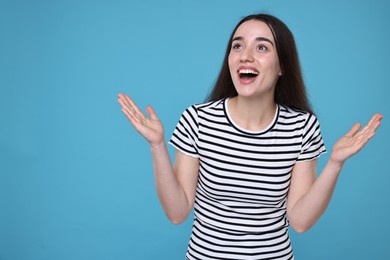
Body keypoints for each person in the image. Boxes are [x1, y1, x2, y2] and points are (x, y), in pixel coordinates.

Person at [117, 13, 382, 260]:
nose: (246, 56)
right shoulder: (197, 120)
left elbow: (300, 221)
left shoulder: (302, 127)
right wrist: (157, 146)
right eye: (238, 46)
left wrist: (335, 163)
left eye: (262, 47)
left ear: (282, 67)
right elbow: (177, 213)